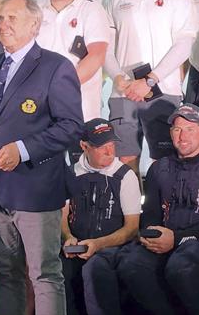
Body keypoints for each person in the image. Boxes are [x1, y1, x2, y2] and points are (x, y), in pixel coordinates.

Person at [0, 0, 83, 315]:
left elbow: (71, 126)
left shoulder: (56, 66)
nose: (3, 25)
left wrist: (23, 150)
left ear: (34, 24)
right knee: (7, 274)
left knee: (44, 275)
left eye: (12, 18)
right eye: (0, 18)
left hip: (36, 190)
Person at [117, 103, 199, 315]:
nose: (182, 136)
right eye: (177, 129)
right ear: (170, 133)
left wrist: (177, 238)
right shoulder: (159, 168)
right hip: (165, 239)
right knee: (131, 264)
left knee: (182, 267)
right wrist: (152, 236)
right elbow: (150, 216)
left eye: (190, 129)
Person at [105, 0, 198, 173]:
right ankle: (131, 210)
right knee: (125, 160)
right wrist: (117, 77)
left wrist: (151, 80)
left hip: (163, 91)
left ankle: (161, 210)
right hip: (124, 92)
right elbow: (106, 46)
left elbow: (185, 43)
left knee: (164, 161)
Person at [61, 118, 141, 315]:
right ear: (84, 146)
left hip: (113, 248)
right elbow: (61, 218)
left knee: (95, 269)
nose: (110, 152)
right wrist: (68, 238)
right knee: (56, 269)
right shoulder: (70, 174)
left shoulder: (125, 176)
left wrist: (99, 244)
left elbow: (132, 228)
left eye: (112, 145)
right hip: (76, 245)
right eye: (102, 146)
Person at [37, 0, 113, 121]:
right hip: (41, 107)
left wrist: (60, 86)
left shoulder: (92, 8)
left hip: (80, 107)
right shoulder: (35, 9)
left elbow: (97, 55)